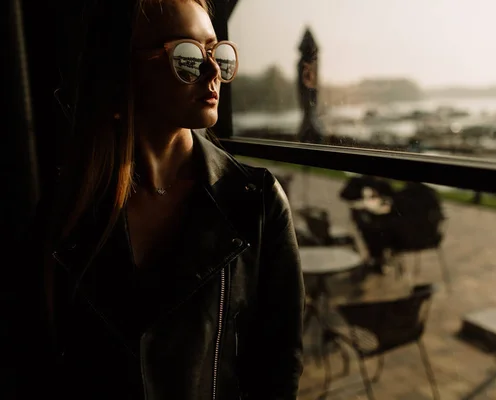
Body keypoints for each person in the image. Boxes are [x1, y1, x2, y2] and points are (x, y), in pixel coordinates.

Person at [16, 0, 305, 399]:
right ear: (124, 70)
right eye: (186, 56)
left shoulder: (255, 202)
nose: (212, 72)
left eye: (216, 53)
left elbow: (276, 370)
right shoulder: (66, 212)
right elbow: (38, 364)